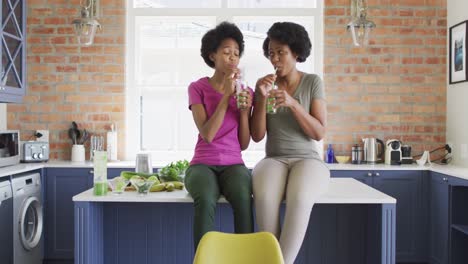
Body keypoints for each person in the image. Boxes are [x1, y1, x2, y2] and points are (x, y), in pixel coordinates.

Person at [251, 21, 330, 264]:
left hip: (307, 159)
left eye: (281, 52)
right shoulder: (264, 86)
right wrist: (260, 98)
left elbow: (318, 133)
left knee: (300, 198)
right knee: (264, 199)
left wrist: (293, 104)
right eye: (271, 53)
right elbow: (257, 135)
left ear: (296, 52)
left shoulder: (312, 82)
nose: (275, 59)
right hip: (273, 158)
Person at [185, 21, 254, 251]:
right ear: (212, 55)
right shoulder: (197, 87)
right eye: (226, 52)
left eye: (236, 53)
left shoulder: (246, 91)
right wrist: (226, 95)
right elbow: (207, 134)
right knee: (205, 199)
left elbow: (244, 144)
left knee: (244, 198)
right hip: (202, 164)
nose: (233, 58)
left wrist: (244, 112)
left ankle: (245, 257)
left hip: (234, 163)